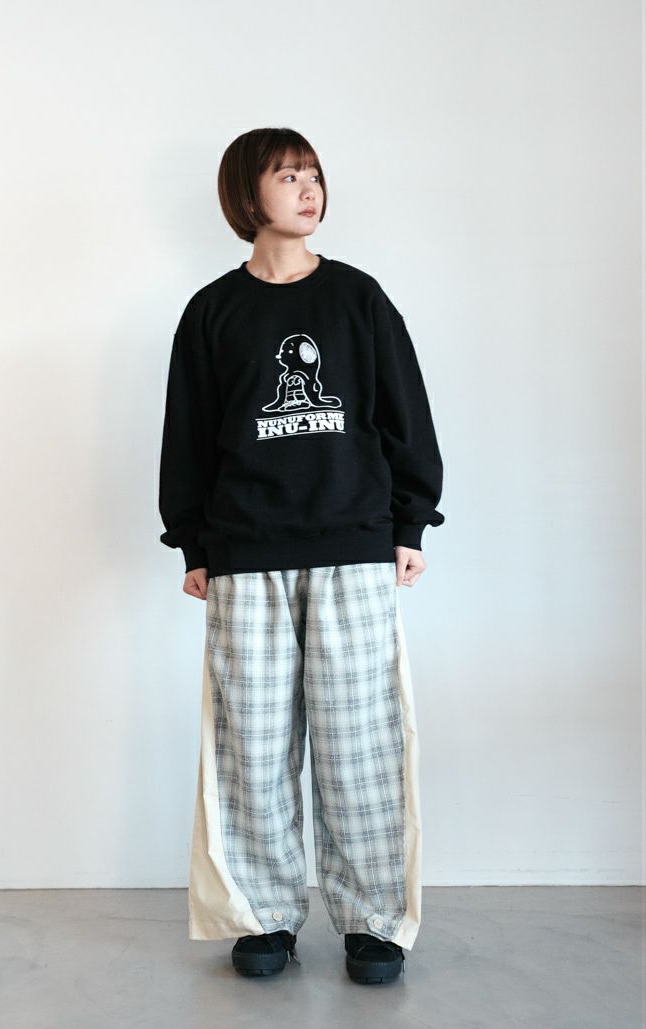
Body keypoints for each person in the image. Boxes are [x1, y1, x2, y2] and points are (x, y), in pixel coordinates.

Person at [158, 127, 445, 985]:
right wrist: (193, 540)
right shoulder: (213, 312)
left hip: (353, 545)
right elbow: (188, 436)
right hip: (245, 551)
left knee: (361, 740)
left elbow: (403, 413)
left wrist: (410, 523)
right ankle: (264, 917)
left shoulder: (357, 300)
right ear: (247, 195)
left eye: (314, 174)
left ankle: (374, 921)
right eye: (288, 176)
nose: (308, 188)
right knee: (251, 743)